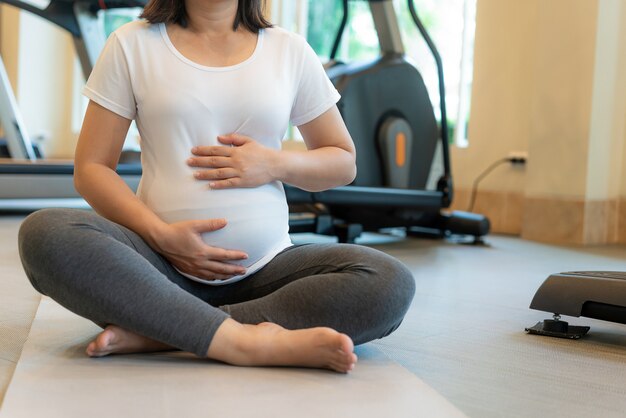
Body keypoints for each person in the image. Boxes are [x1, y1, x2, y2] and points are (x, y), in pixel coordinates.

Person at [18, 0, 415, 374]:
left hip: (266, 270)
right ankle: (244, 342)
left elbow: (342, 162)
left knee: (389, 282)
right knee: (45, 234)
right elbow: (91, 169)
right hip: (157, 268)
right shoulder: (131, 43)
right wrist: (162, 236)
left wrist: (272, 163)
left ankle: (167, 332)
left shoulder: (289, 50)